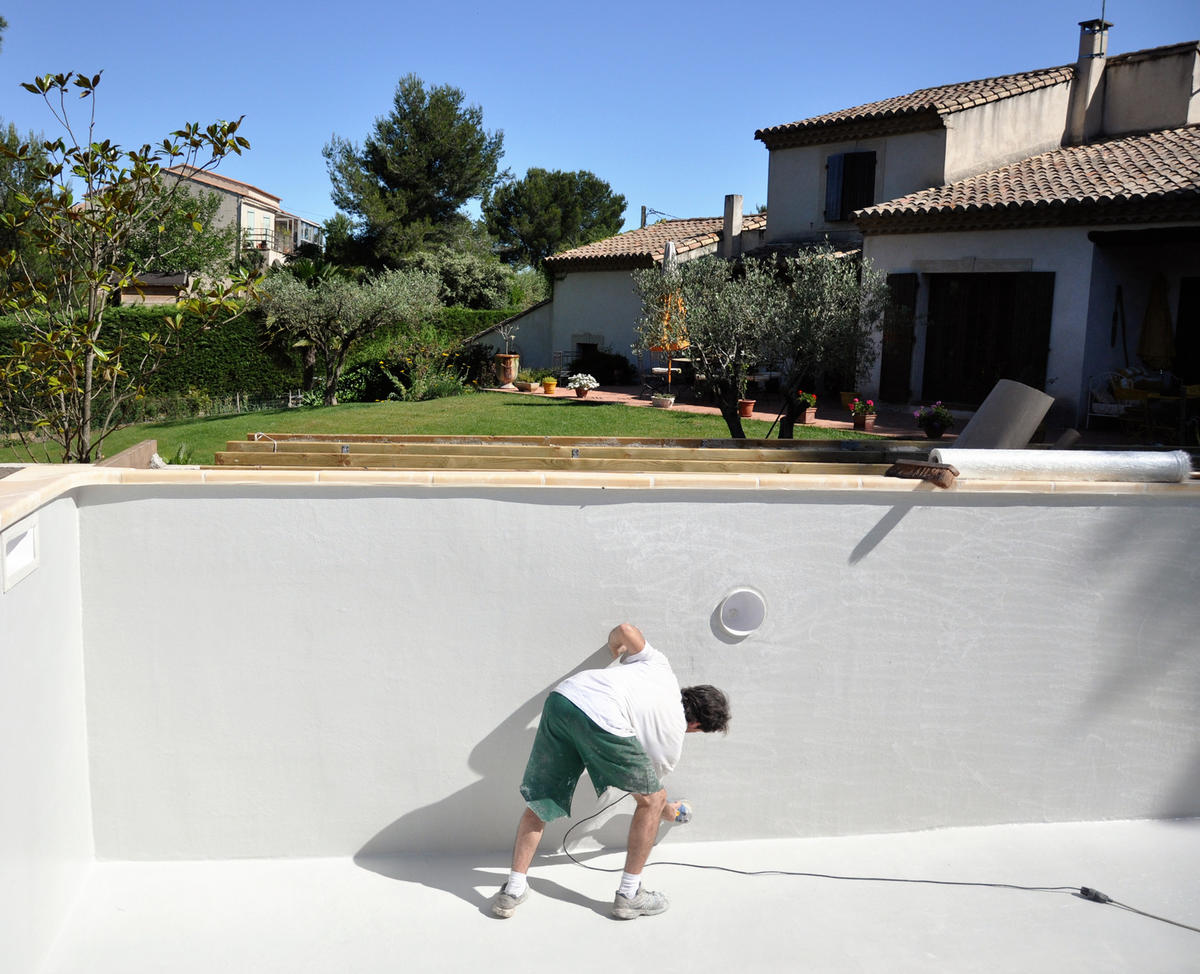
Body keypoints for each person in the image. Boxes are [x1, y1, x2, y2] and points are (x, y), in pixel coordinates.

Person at [491, 622, 730, 920]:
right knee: (653, 800)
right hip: (603, 717)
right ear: (696, 726)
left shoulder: (660, 666)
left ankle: (512, 890)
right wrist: (673, 812)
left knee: (542, 801)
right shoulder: (672, 740)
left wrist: (613, 648)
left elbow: (626, 629)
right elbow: (648, 797)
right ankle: (630, 896)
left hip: (564, 699)